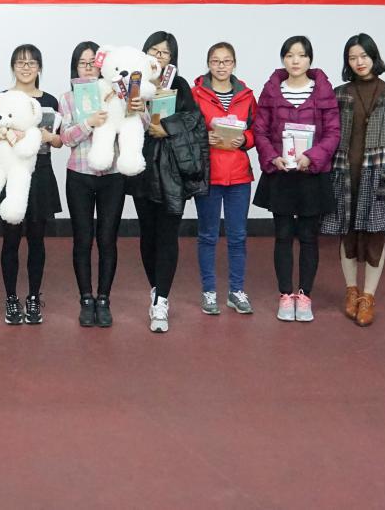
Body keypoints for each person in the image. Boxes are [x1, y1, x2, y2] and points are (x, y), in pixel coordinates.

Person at [320, 33, 385, 327]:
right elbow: (328, 134)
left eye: (363, 56)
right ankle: (351, 290)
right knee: (347, 235)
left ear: (374, 57)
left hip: (378, 174)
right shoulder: (339, 93)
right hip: (344, 174)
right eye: (352, 57)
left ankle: (368, 296)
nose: (359, 62)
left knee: (375, 237)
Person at [252, 35, 339, 323]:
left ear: (310, 59)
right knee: (283, 236)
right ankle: (285, 295)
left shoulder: (323, 89)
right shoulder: (272, 90)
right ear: (283, 59)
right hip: (281, 174)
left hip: (311, 174)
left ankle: (304, 296)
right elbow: (260, 130)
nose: (295, 60)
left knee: (309, 238)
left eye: (301, 55)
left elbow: (333, 133)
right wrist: (272, 157)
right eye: (289, 55)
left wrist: (312, 157)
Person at [129, 30, 209, 333]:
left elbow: (194, 120)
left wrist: (167, 128)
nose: (158, 57)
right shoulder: (133, 84)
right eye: (154, 50)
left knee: (167, 235)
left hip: (172, 172)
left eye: (164, 53)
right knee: (147, 235)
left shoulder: (179, 84)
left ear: (172, 58)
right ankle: (155, 288)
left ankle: (162, 299)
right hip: (141, 169)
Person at [59, 41, 126, 328]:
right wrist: (89, 123)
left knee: (108, 239)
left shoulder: (117, 94)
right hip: (79, 174)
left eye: (92, 63)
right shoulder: (67, 98)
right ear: (74, 68)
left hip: (113, 175)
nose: (87, 68)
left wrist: (133, 104)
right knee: (83, 239)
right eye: (82, 63)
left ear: (101, 67)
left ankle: (104, 299)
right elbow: (65, 138)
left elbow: (140, 123)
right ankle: (86, 299)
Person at [0, 44, 62, 325]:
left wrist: (49, 137)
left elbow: (59, 141)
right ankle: (11, 298)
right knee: (10, 240)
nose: (26, 67)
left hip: (40, 173)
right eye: (20, 62)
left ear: (39, 68)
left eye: (32, 63)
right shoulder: (1, 98)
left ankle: (34, 297)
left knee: (37, 240)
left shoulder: (50, 101)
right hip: (11, 173)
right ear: (13, 66)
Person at [192, 42, 257, 316]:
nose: (221, 66)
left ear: (234, 64)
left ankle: (236, 291)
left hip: (239, 175)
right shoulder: (196, 94)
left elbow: (256, 130)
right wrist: (203, 138)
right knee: (207, 235)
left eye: (226, 61)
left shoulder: (246, 95)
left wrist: (246, 139)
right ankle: (209, 291)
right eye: (216, 61)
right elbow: (189, 130)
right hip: (209, 174)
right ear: (208, 64)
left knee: (238, 236)